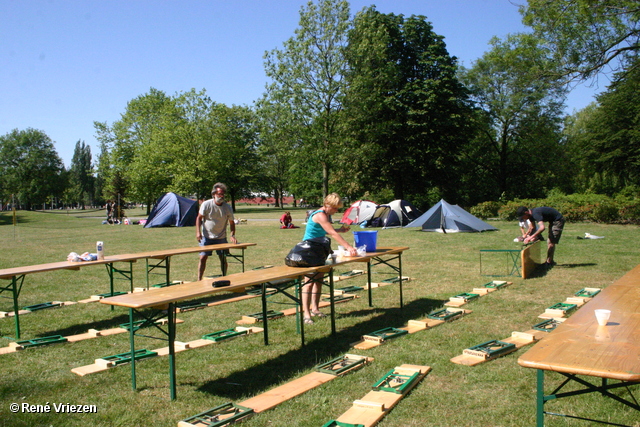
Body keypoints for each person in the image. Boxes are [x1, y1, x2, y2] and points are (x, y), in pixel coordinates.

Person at [300, 193, 358, 325]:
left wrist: (340, 230)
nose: (337, 211)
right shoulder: (320, 215)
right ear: (328, 205)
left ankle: (315, 309)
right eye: (335, 208)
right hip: (309, 251)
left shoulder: (326, 215)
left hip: (320, 249)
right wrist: (348, 247)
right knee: (308, 283)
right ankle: (306, 314)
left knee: (319, 280)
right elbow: (331, 233)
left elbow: (324, 230)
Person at [196, 183, 237, 280]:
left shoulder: (227, 207)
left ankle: (224, 277)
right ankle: (199, 279)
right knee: (203, 258)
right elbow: (199, 218)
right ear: (214, 194)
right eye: (219, 194)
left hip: (221, 238)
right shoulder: (206, 204)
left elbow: (231, 222)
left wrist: (233, 235)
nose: (221, 196)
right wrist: (198, 232)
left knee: (223, 258)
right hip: (206, 237)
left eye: (223, 194)